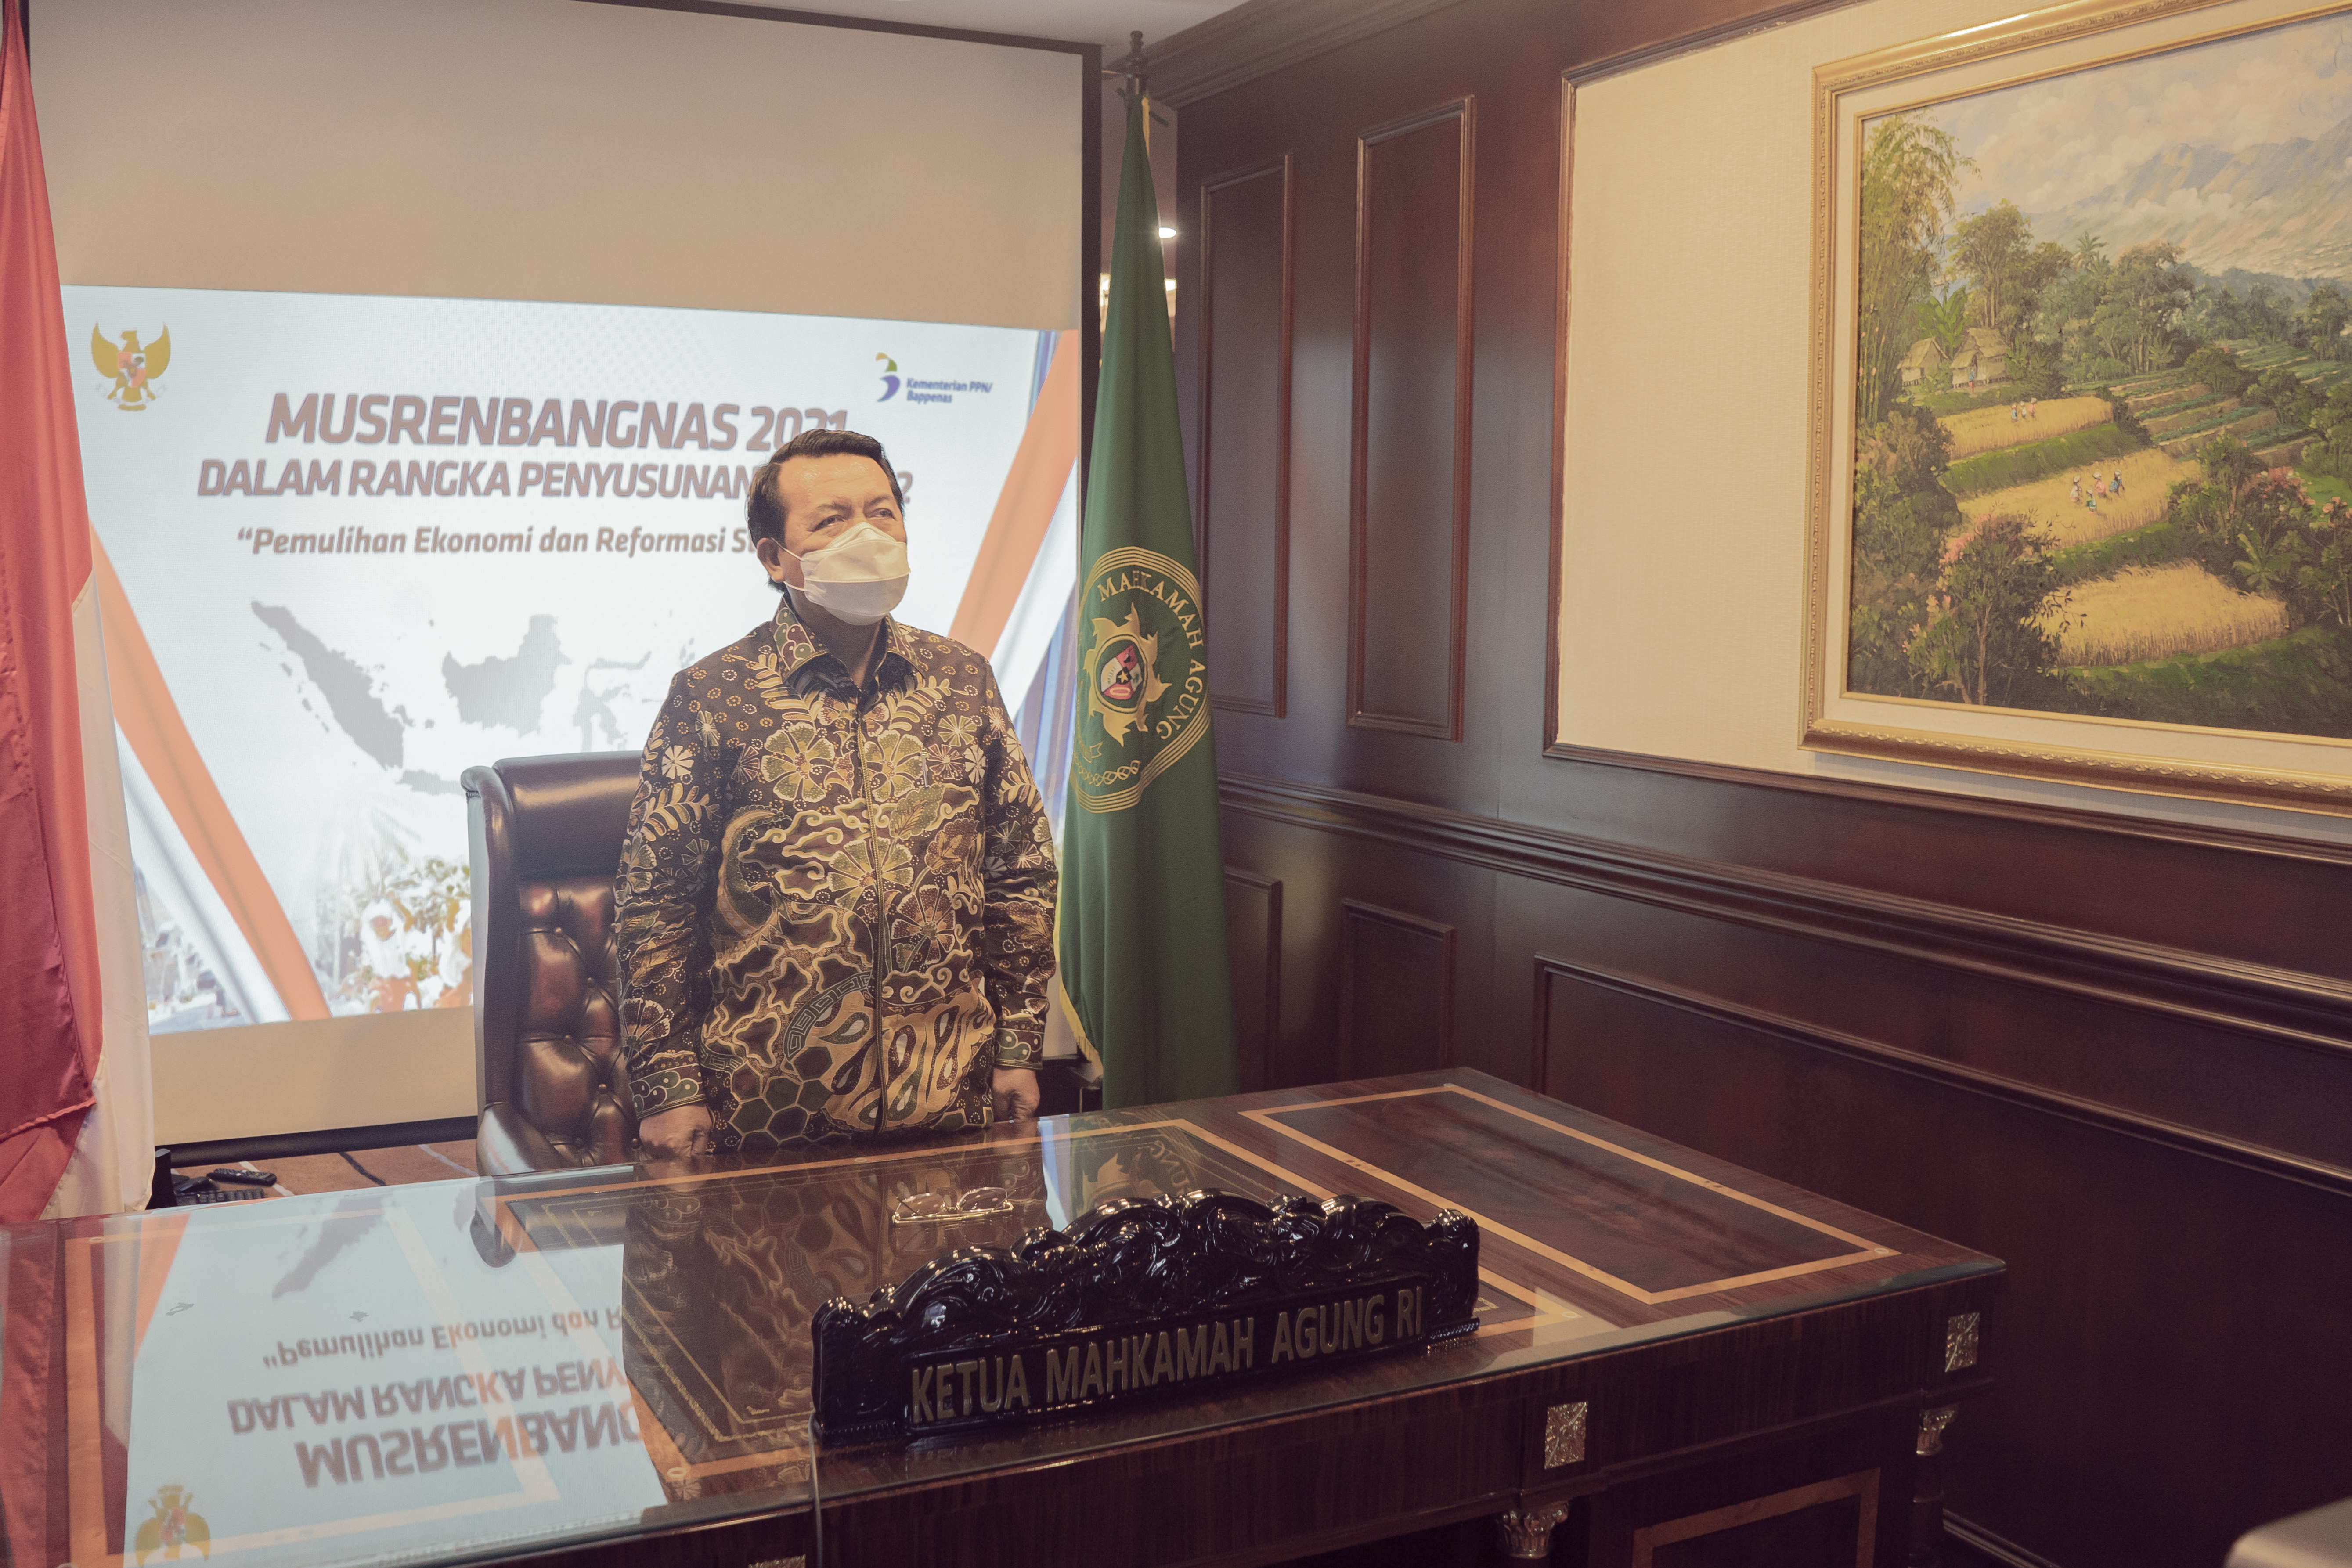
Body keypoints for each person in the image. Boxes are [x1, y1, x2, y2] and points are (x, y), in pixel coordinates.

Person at [616, 427, 1058, 1160]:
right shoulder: (712, 696)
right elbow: (653, 907)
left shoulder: (962, 680)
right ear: (774, 557)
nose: (868, 535)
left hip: (952, 1101)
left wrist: (1019, 1045)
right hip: (766, 1114)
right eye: (832, 520)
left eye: (883, 513)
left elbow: (1020, 872)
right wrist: (669, 1090)